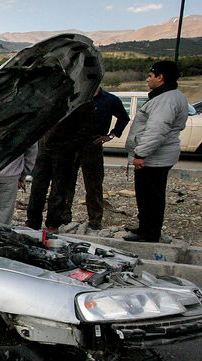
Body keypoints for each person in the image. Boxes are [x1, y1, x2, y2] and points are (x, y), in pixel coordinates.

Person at [123, 61, 188, 242]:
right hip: (156, 157)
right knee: (147, 196)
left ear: (161, 77)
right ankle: (145, 227)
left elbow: (157, 130)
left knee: (151, 196)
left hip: (154, 158)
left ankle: (149, 233)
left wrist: (141, 154)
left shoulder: (166, 100)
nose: (147, 80)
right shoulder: (168, 96)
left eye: (150, 76)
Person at [63, 86, 130, 229]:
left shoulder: (110, 99)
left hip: (93, 144)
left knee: (94, 185)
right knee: (66, 182)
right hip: (71, 144)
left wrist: (111, 135)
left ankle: (95, 220)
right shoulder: (75, 96)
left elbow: (124, 118)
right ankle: (63, 217)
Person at [25, 101, 95, 233]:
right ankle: (33, 221)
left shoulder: (83, 101)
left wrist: (71, 146)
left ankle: (53, 223)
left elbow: (86, 129)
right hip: (44, 148)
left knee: (59, 188)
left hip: (64, 150)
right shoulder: (54, 96)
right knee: (37, 186)